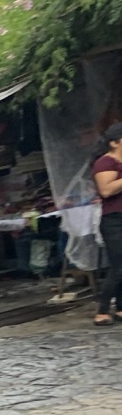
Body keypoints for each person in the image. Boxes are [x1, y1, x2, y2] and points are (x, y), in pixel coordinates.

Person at [90, 123, 122, 326]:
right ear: (114, 142)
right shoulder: (105, 163)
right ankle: (102, 311)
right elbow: (106, 190)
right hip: (114, 220)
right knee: (118, 266)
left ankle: (120, 307)